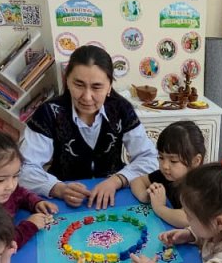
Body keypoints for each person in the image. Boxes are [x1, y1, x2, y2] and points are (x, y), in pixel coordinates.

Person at [20, 45, 158, 210]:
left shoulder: (121, 109)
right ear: (67, 81)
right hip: (64, 199)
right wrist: (58, 188)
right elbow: (24, 168)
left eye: (97, 87)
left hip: (115, 196)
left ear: (109, 86)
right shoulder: (49, 113)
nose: (86, 97)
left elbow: (150, 158)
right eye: (79, 85)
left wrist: (117, 180)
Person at [130, 120, 206, 228]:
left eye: (173, 161)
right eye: (161, 157)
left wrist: (159, 208)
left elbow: (187, 219)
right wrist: (144, 196)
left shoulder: (201, 185)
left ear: (195, 161)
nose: (165, 166)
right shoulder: (166, 175)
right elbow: (137, 181)